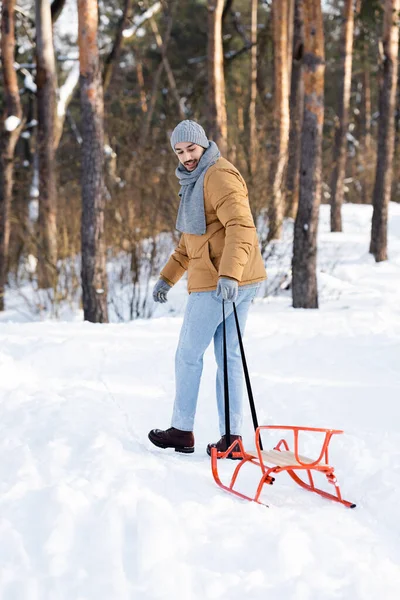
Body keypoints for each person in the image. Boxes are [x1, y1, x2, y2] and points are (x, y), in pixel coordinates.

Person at [148, 120, 266, 456]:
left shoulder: (217, 175)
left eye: (191, 149)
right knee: (228, 357)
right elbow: (191, 243)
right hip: (237, 278)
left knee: (188, 355)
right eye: (180, 151)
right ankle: (232, 437)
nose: (186, 156)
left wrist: (228, 274)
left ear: (204, 145)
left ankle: (182, 429)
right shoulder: (195, 180)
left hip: (221, 281)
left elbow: (242, 227)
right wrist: (167, 277)